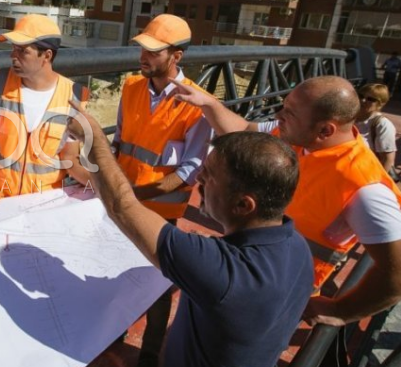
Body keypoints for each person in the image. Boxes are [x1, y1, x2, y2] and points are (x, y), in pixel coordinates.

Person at [66, 101, 314, 367]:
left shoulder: (222, 271)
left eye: (208, 177)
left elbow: (122, 207)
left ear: (243, 205)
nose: (199, 182)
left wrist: (95, 138)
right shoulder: (297, 247)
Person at [169, 76, 401, 332]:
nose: (279, 114)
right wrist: (208, 103)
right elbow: (245, 130)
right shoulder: (298, 136)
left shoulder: (365, 188)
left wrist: (340, 311)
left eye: (290, 113)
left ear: (325, 130)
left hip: (280, 301)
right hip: (246, 275)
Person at [115, 14, 213, 366]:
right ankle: (113, 336)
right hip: (122, 209)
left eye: (154, 51)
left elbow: (190, 169)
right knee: (114, 276)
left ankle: (150, 353)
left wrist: (137, 195)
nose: (144, 56)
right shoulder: (130, 88)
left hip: (161, 216)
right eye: (143, 48)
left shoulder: (197, 103)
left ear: (177, 56)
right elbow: (120, 145)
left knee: (156, 290)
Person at [0, 14, 91, 205]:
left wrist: (101, 184)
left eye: (22, 51)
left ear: (46, 55)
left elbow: (69, 158)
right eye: (13, 49)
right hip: (2, 201)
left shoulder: (74, 97)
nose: (13, 56)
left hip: (46, 206)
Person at [356, 83, 398, 180]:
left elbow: (388, 160)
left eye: (371, 99)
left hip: (366, 177)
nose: (363, 100)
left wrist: (377, 182)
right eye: (361, 95)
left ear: (381, 103)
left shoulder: (382, 125)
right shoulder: (349, 117)